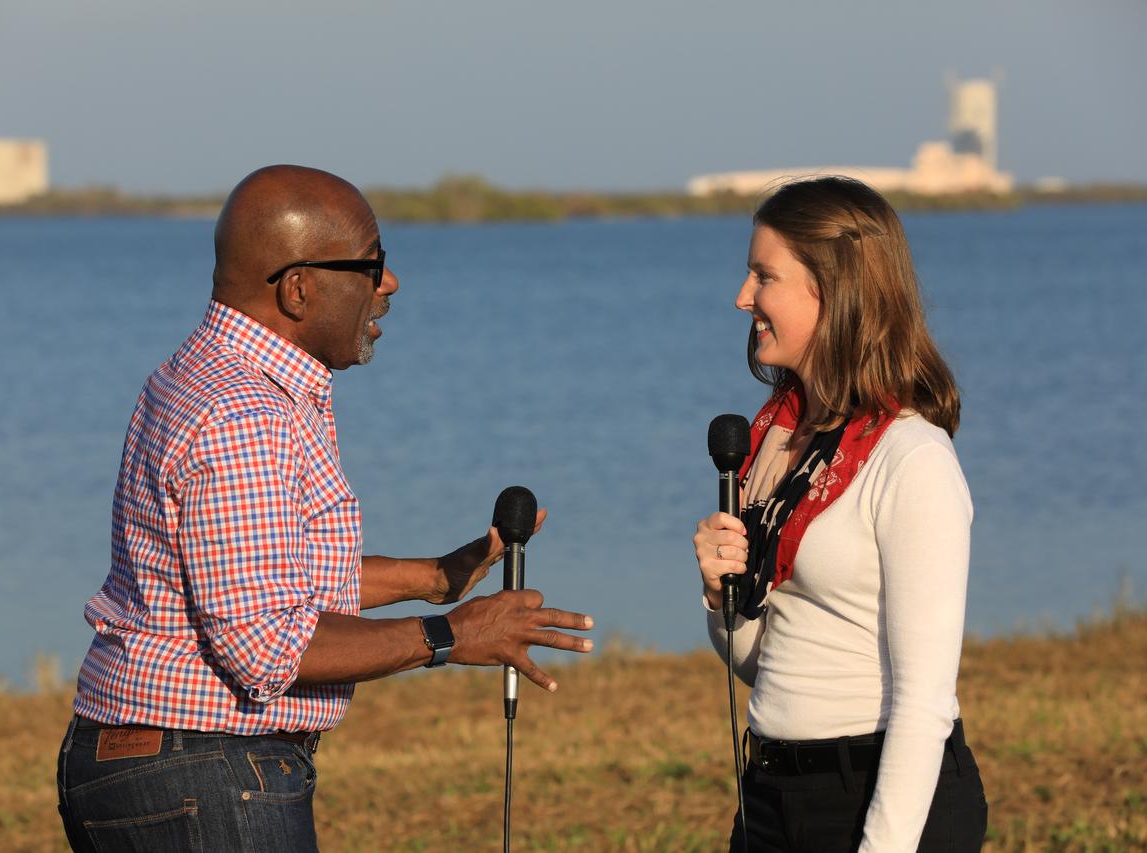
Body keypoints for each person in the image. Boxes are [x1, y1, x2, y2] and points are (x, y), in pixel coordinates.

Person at [56, 165, 594, 852]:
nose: (389, 285)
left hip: (155, 766)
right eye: (372, 266)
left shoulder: (205, 375)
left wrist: (432, 576)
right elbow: (266, 646)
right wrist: (449, 634)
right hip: (202, 772)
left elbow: (260, 573)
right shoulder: (245, 413)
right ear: (299, 286)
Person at [692, 177, 987, 852]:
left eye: (764, 275)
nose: (743, 297)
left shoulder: (911, 458)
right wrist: (720, 599)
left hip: (878, 798)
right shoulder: (779, 442)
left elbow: (924, 701)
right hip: (770, 794)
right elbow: (767, 664)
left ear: (833, 291)